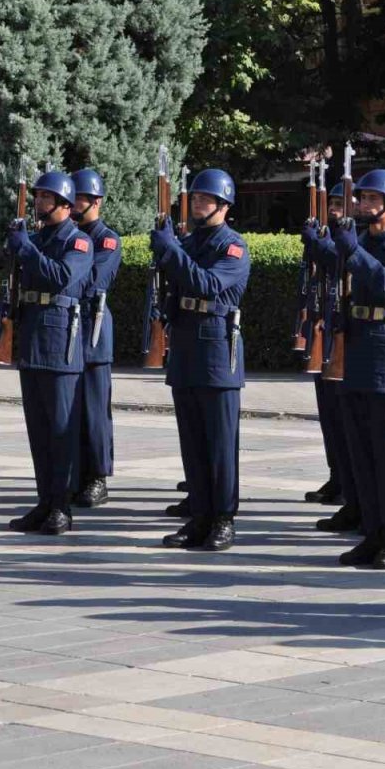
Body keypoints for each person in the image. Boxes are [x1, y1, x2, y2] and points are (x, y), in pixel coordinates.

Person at [305, 168, 385, 569]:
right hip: (353, 352)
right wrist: (320, 244)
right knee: (360, 452)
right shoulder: (356, 242)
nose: (363, 205)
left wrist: (352, 251)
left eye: (372, 199)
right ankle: (371, 532)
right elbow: (337, 265)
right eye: (362, 198)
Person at [153, 168, 250, 551]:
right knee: (192, 442)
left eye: (204, 199)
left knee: (220, 445)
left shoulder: (233, 247)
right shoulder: (189, 242)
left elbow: (207, 284)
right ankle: (199, 516)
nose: (196, 203)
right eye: (194, 198)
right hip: (186, 346)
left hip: (216, 352)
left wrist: (170, 251)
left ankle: (223, 519)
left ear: (223, 205)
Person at [5, 170, 93, 535]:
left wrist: (25, 248)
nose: (39, 202)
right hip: (33, 340)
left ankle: (61, 507)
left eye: (46, 197)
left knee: (60, 432)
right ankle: (44, 502)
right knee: (39, 432)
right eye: (38, 196)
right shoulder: (37, 238)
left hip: (60, 345)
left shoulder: (79, 242)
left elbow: (60, 277)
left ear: (65, 205)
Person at [70, 168, 121, 509]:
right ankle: (75, 474)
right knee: (71, 411)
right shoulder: (66, 236)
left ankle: (98, 477)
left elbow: (91, 282)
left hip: (93, 330)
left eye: (79, 198)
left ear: (96, 201)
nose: (72, 204)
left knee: (94, 410)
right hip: (68, 331)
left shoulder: (106, 240)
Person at [312, 181, 361, 533]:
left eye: (341, 203)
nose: (334, 208)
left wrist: (321, 246)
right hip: (327, 328)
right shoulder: (330, 234)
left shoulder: (355, 239)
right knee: (328, 412)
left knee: (345, 417)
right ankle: (337, 475)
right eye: (331, 202)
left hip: (349, 335)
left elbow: (344, 263)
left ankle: (349, 483)